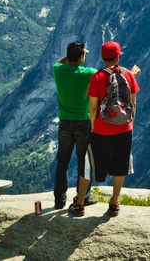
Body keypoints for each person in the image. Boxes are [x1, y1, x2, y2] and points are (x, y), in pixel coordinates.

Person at [69, 41, 140, 217]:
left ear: (102, 57)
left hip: (101, 130)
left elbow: (93, 108)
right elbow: (133, 103)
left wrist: (94, 126)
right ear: (117, 57)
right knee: (120, 167)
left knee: (88, 166)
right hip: (124, 129)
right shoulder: (128, 75)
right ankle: (114, 204)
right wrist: (129, 123)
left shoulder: (98, 77)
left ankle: (79, 205)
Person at [52, 40, 97, 209]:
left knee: (62, 161)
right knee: (84, 162)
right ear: (80, 57)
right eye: (83, 55)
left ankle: (59, 199)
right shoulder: (89, 73)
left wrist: (73, 53)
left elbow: (59, 62)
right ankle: (83, 196)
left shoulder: (58, 71)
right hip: (83, 124)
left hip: (64, 123)